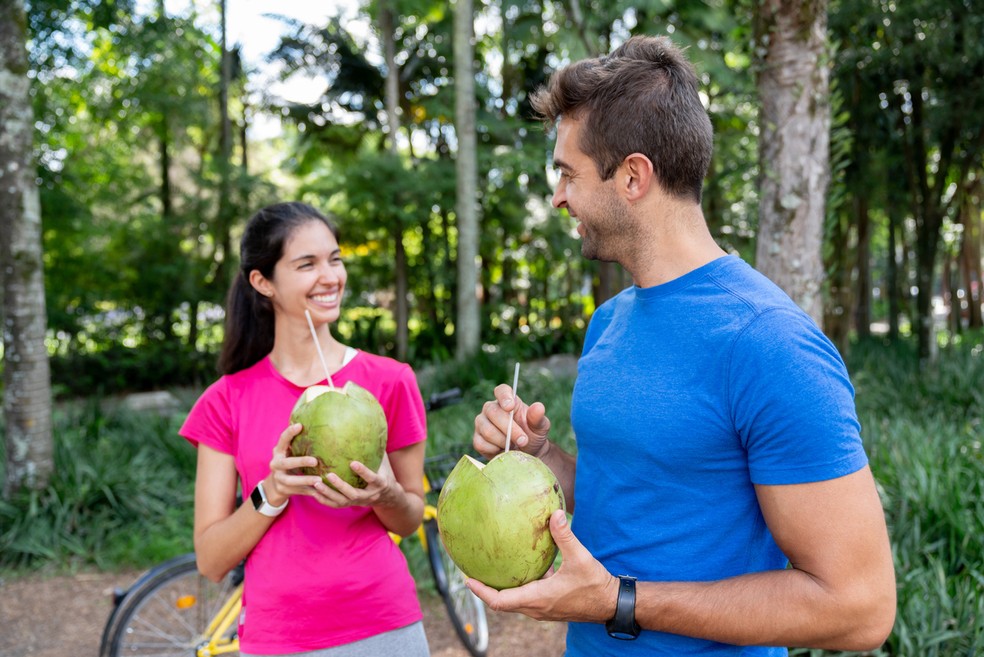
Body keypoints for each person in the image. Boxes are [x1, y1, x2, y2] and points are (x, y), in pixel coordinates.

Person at [470, 35, 896, 656]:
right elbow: (639, 498)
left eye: (567, 173)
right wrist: (543, 457)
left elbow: (859, 608)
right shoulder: (609, 322)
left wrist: (620, 600)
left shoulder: (769, 343)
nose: (558, 197)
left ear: (634, 177)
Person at [180, 201, 431, 656]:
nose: (331, 276)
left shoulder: (391, 381)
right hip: (278, 638)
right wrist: (272, 490)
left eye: (335, 259)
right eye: (307, 264)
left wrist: (384, 494)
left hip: (383, 625)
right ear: (263, 282)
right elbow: (211, 560)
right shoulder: (226, 400)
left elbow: (411, 518)